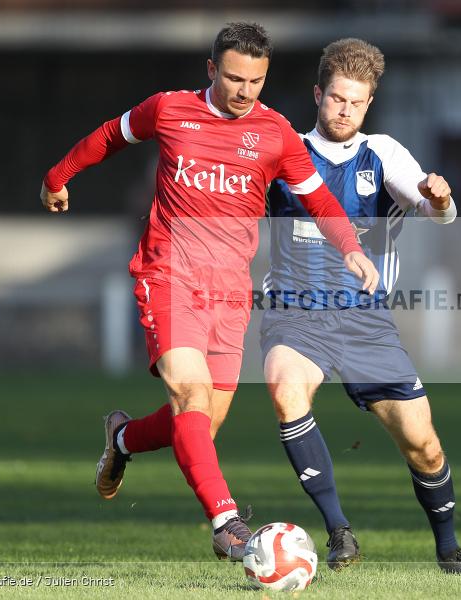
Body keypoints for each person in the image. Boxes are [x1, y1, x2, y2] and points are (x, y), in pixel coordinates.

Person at [39, 23, 378, 562]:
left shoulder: (276, 133)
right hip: (168, 273)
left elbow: (317, 198)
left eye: (257, 81)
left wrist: (351, 249)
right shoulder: (169, 110)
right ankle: (227, 523)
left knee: (199, 423)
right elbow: (109, 135)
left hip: (230, 291)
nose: (245, 91)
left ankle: (121, 439)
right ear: (211, 70)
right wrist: (59, 175)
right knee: (191, 398)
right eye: (234, 77)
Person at [260, 38, 461, 575]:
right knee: (284, 387)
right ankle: (339, 532)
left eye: (356, 102)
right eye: (336, 97)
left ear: (369, 104)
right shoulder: (284, 150)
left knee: (424, 447)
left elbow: (441, 215)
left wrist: (440, 198)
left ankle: (449, 549)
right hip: (296, 313)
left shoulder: (382, 152)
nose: (344, 110)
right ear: (318, 94)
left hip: (366, 321)